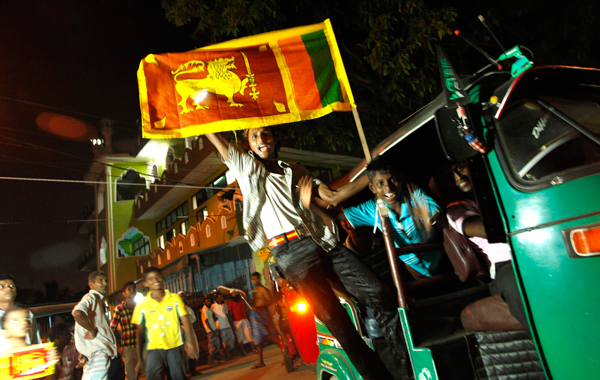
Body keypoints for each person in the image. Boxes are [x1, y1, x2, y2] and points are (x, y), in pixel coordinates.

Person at [205, 128, 410, 380]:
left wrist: (373, 173)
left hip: (321, 242)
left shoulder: (296, 170)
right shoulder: (247, 169)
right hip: (290, 254)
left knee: (380, 294)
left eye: (266, 134)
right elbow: (221, 144)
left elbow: (333, 197)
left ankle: (403, 370)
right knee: (339, 324)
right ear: (248, 144)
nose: (261, 140)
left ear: (275, 138)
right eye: (254, 136)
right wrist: (204, 120)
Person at [299, 154, 444, 279]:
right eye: (380, 183)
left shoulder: (413, 194)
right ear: (372, 188)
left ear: (401, 179)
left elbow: (441, 221)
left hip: (441, 259)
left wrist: (432, 222)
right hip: (416, 271)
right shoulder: (374, 208)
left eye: (392, 180)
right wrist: (310, 205)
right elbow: (337, 217)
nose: (388, 188)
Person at [438, 161, 527, 326]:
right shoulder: (457, 208)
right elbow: (488, 229)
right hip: (505, 265)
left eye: (459, 168)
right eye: (450, 177)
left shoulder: (500, 188)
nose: (459, 177)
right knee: (514, 284)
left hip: (532, 250)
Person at [131, 267, 199, 380]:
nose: (155, 280)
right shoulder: (142, 305)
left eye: (158, 277)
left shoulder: (174, 299)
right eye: (151, 278)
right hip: (153, 349)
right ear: (146, 283)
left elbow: (185, 320)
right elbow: (140, 333)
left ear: (162, 279)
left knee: (178, 376)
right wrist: (140, 359)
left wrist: (190, 342)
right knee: (154, 376)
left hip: (174, 346)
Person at [72, 270, 122, 380]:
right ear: (91, 284)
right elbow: (77, 313)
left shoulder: (100, 301)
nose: (105, 283)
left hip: (98, 354)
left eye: (106, 280)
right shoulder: (91, 298)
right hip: (99, 353)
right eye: (100, 281)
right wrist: (92, 330)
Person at [248, 272, 280, 370]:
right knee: (259, 340)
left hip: (263, 315)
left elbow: (270, 301)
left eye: (255, 279)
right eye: (253, 279)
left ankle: (287, 352)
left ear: (259, 279)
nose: (254, 281)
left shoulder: (262, 289)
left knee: (271, 337)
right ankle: (260, 361)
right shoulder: (257, 290)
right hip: (257, 316)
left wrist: (259, 308)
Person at [0, 274, 41, 345]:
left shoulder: (27, 314)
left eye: (11, 286)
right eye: (2, 287)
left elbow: (35, 342)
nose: (8, 289)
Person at [110, 282, 138, 380]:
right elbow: (112, 328)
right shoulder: (120, 309)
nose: (132, 290)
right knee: (131, 374)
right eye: (129, 289)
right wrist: (118, 346)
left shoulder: (140, 307)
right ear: (124, 294)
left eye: (133, 288)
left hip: (143, 344)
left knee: (150, 371)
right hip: (128, 345)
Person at [227, 290, 253, 356]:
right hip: (236, 321)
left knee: (249, 334)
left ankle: (253, 349)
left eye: (235, 293)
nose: (234, 294)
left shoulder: (242, 300)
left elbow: (246, 309)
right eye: (233, 293)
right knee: (240, 336)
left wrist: (248, 318)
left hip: (244, 319)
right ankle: (243, 351)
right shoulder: (230, 303)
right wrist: (232, 324)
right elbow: (230, 314)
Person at [211, 294, 234, 359]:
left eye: (222, 297)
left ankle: (223, 351)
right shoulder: (213, 306)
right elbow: (211, 314)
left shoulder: (224, 305)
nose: (221, 298)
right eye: (219, 297)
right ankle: (227, 354)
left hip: (227, 324)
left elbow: (227, 314)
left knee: (232, 339)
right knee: (224, 341)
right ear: (216, 299)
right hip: (221, 326)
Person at [200, 297, 221, 365]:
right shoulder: (205, 309)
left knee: (215, 345)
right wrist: (211, 330)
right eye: (206, 301)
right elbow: (206, 321)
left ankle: (213, 359)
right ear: (204, 303)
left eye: (209, 301)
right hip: (210, 330)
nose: (208, 302)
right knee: (212, 346)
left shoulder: (208, 309)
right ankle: (211, 360)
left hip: (213, 328)